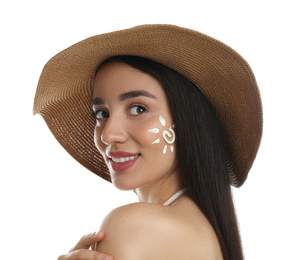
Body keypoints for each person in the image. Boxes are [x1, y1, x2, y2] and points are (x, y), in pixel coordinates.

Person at [34, 24, 263, 260]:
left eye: (138, 108)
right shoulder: (208, 230)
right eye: (102, 114)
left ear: (186, 121)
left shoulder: (133, 227)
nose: (108, 135)